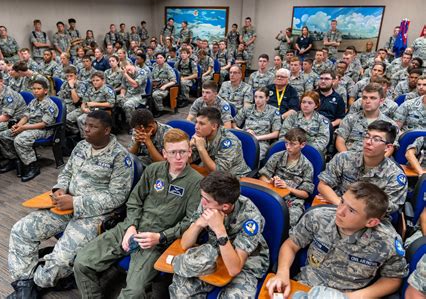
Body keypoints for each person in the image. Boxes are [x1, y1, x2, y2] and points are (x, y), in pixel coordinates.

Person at [6, 110, 133, 298]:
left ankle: (37, 284)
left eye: (92, 126)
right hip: (64, 205)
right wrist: (60, 188)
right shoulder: (81, 146)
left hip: (93, 215)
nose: (86, 129)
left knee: (62, 258)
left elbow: (117, 197)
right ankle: (24, 286)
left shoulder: (120, 157)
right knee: (21, 230)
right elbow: (66, 172)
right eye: (85, 125)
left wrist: (75, 202)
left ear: (106, 130)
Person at [74, 128, 202, 298]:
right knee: (81, 263)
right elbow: (134, 200)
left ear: (189, 152)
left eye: (182, 152)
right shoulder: (153, 170)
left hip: (156, 240)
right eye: (173, 152)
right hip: (131, 227)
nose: (178, 157)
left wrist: (161, 237)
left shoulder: (196, 182)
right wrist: (131, 226)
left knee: (133, 293)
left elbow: (190, 222)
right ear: (164, 153)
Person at [266, 182, 408, 299]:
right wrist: (282, 273)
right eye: (342, 202)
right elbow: (291, 245)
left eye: (351, 210)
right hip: (306, 287)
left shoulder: (387, 242)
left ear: (371, 222)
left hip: (349, 294)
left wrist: (352, 297)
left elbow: (393, 278)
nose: (339, 211)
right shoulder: (318, 217)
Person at [169, 170, 270, 298]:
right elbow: (185, 244)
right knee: (180, 290)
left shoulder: (251, 218)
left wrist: (219, 230)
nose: (202, 203)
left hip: (245, 264)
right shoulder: (208, 203)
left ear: (225, 207)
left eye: (206, 200)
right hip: (215, 252)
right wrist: (199, 224)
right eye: (202, 197)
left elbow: (235, 268)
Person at [318, 120, 407, 214]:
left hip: (372, 219)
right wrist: (341, 203)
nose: (368, 142)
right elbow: (323, 185)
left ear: (388, 147)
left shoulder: (395, 175)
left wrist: (352, 208)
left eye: (376, 139)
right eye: (367, 136)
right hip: (338, 208)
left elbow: (388, 207)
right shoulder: (343, 158)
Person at [0, 79, 58, 182]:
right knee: (4, 135)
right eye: (34, 89)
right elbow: (26, 116)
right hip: (29, 126)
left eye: (39, 89)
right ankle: (14, 160)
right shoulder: (33, 102)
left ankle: (32, 166)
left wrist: (24, 127)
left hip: (44, 130)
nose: (35, 91)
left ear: (46, 91)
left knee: (20, 139)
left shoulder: (50, 105)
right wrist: (18, 125)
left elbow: (43, 124)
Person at [259, 128, 314, 227]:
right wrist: (269, 182)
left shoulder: (307, 166)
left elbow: (305, 194)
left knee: (288, 221)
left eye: (293, 144)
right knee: (258, 214)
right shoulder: (277, 156)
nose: (288, 147)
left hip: (293, 201)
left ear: (302, 145)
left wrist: (287, 188)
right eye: (286, 143)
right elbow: (263, 176)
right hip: (273, 193)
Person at [335, 83, 397, 154]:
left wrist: (375, 162)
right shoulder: (350, 119)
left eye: (372, 98)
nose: (367, 101)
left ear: (381, 101)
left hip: (376, 161)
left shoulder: (389, 124)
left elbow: (390, 148)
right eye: (364, 98)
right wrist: (349, 159)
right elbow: (340, 141)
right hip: (349, 157)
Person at [191, 107, 250, 178]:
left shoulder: (229, 142)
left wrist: (201, 148)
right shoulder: (202, 134)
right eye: (196, 122)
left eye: (202, 124)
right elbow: (189, 158)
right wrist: (188, 146)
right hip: (209, 170)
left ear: (214, 126)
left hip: (234, 178)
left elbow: (218, 172)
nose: (196, 127)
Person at [0, 70, 27, 161]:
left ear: (1, 81)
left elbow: (6, 117)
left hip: (15, 121)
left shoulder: (9, 95)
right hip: (0, 118)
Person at [233, 87, 281, 158]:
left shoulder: (274, 111)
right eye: (255, 97)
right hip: (244, 138)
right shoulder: (247, 109)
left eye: (261, 97)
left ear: (267, 98)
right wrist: (243, 132)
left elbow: (276, 134)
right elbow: (233, 124)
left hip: (261, 142)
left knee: (255, 156)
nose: (257, 100)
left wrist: (257, 138)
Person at [67, 71, 115, 137]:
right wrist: (83, 108)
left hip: (100, 111)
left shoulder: (107, 90)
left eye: (97, 80)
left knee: (81, 119)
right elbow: (84, 102)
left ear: (103, 80)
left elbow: (111, 104)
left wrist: (95, 104)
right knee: (67, 118)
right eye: (93, 80)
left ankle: (87, 138)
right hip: (88, 109)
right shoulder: (90, 89)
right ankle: (78, 133)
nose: (95, 82)